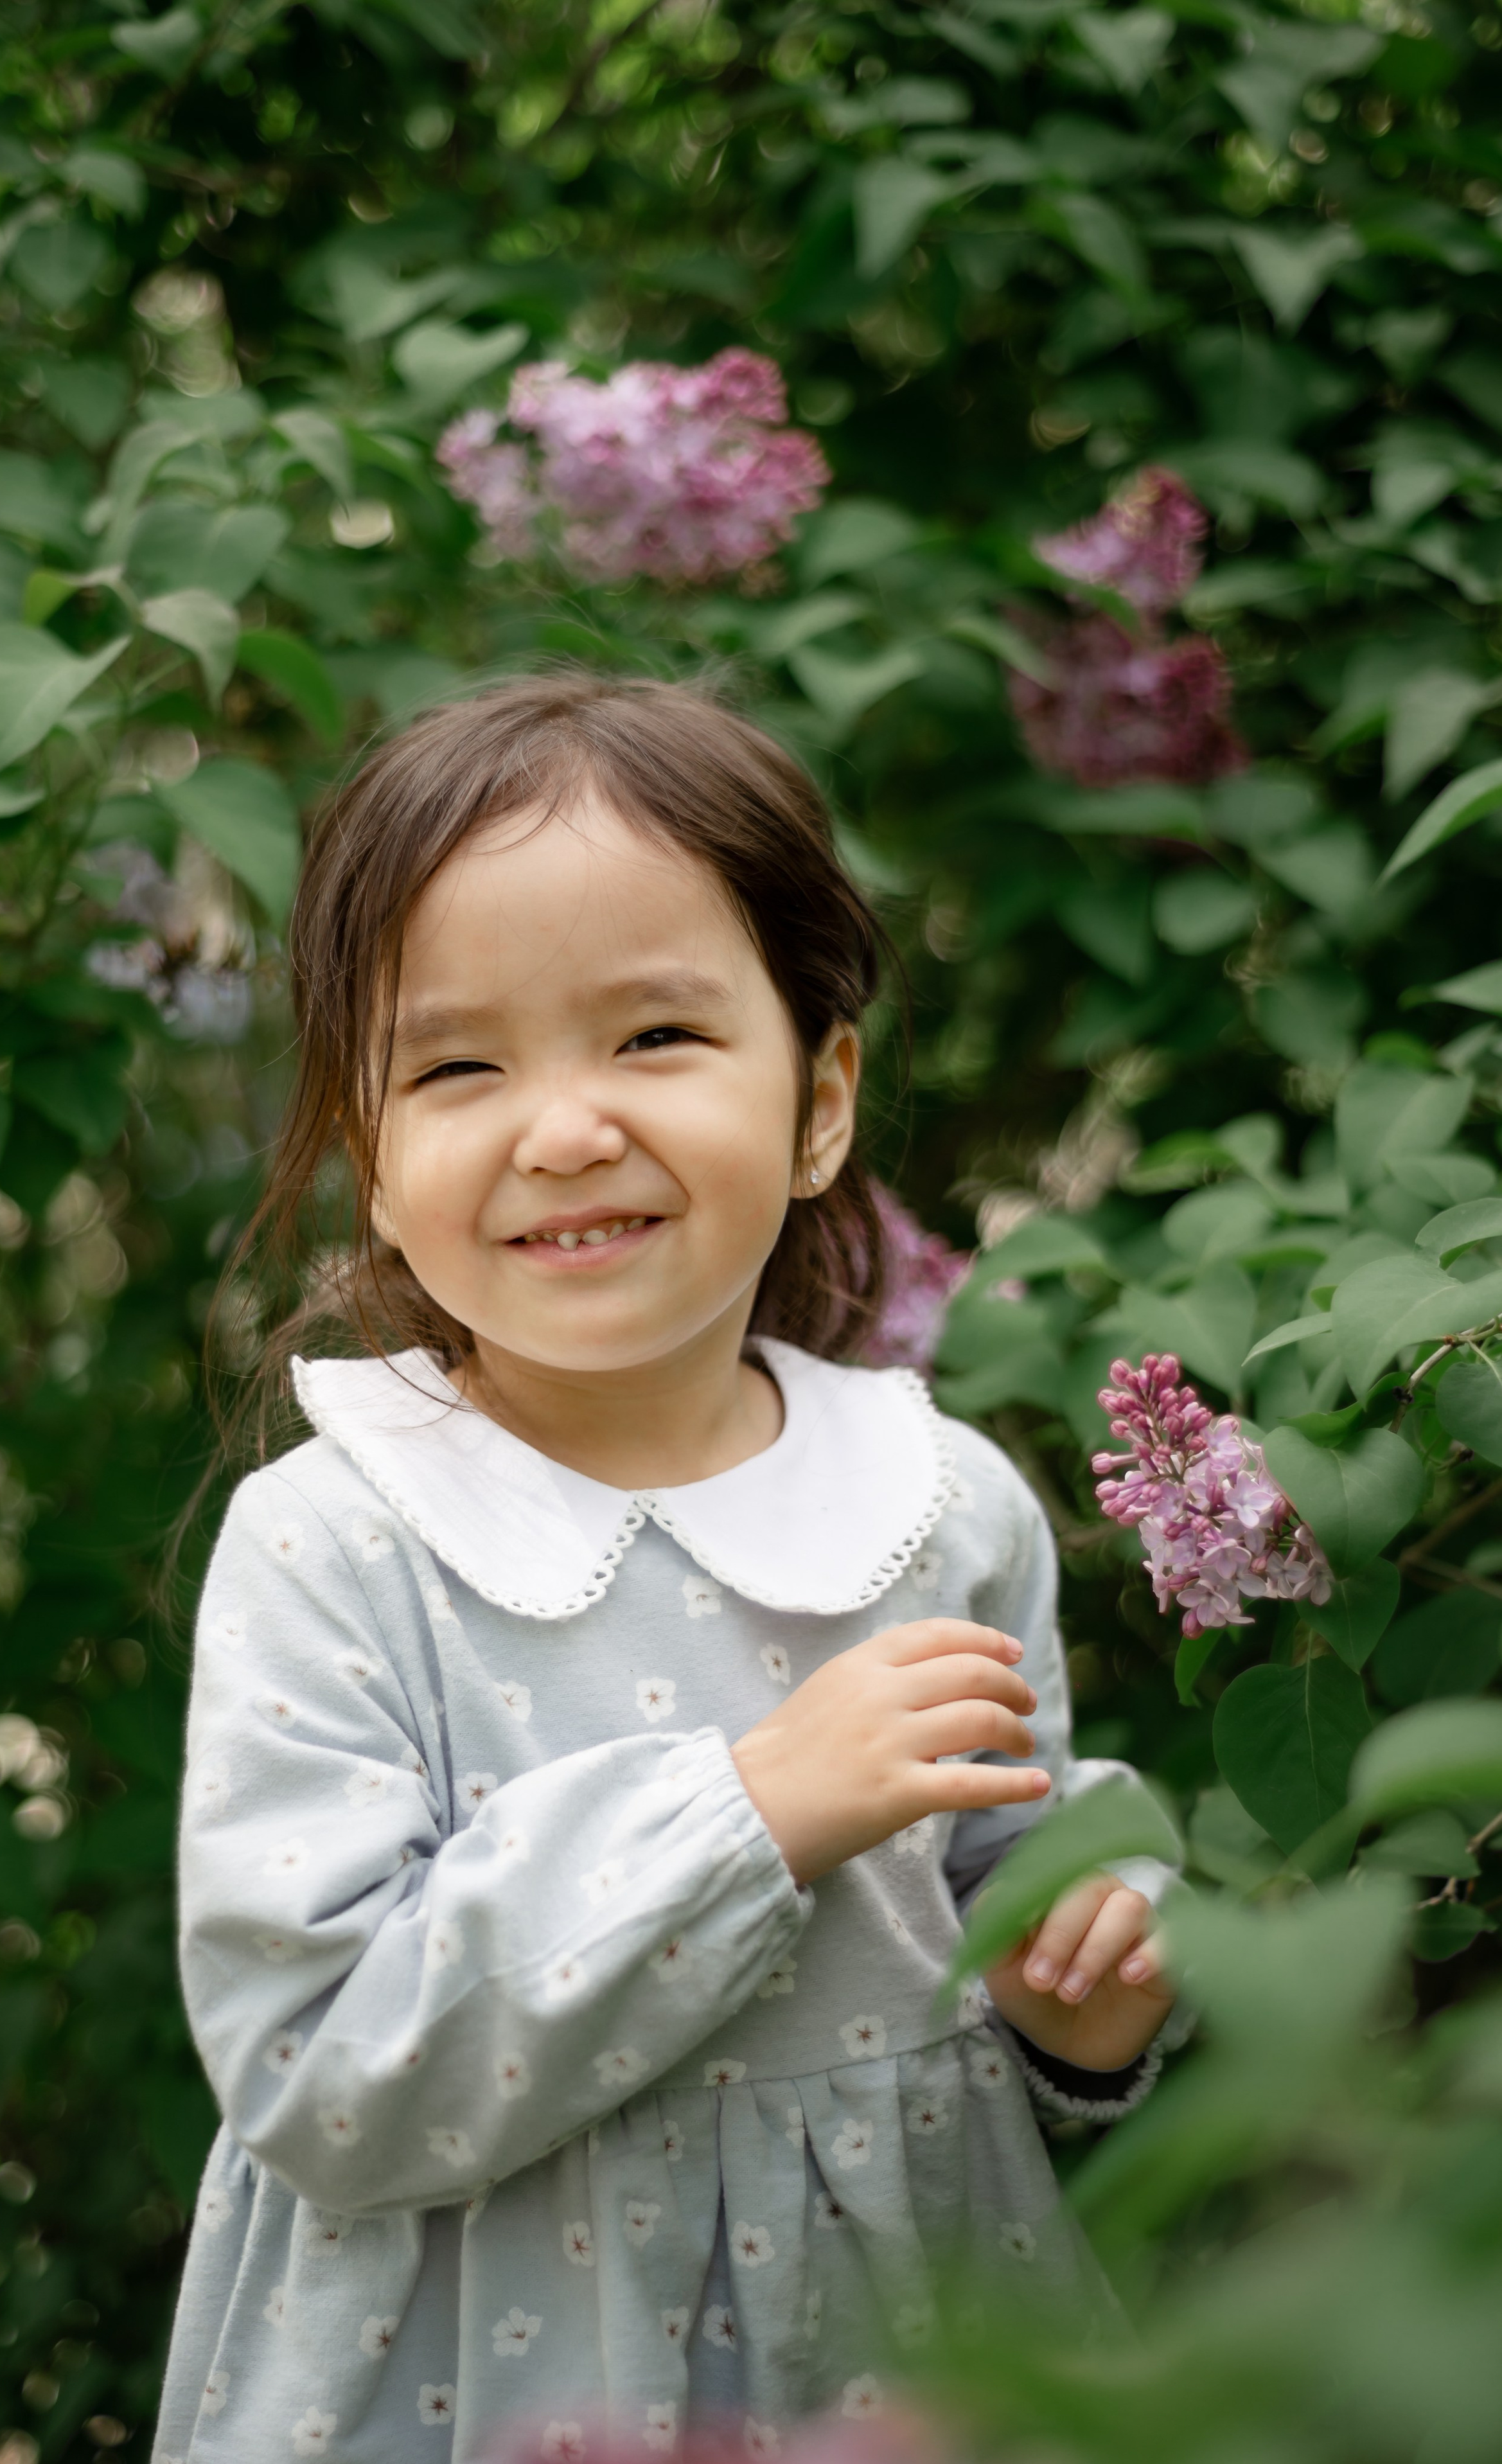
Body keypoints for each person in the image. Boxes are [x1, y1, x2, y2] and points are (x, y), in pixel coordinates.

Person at [154, 675, 1178, 2464]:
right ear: (371, 1160)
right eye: (459, 1064)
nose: (563, 1128)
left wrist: (1081, 1988)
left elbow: (1010, 1890)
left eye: (653, 1037)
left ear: (820, 1100)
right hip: (488, 2383)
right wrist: (752, 1810)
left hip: (908, 2349)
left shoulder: (946, 1506)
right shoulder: (340, 1539)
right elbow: (316, 2064)